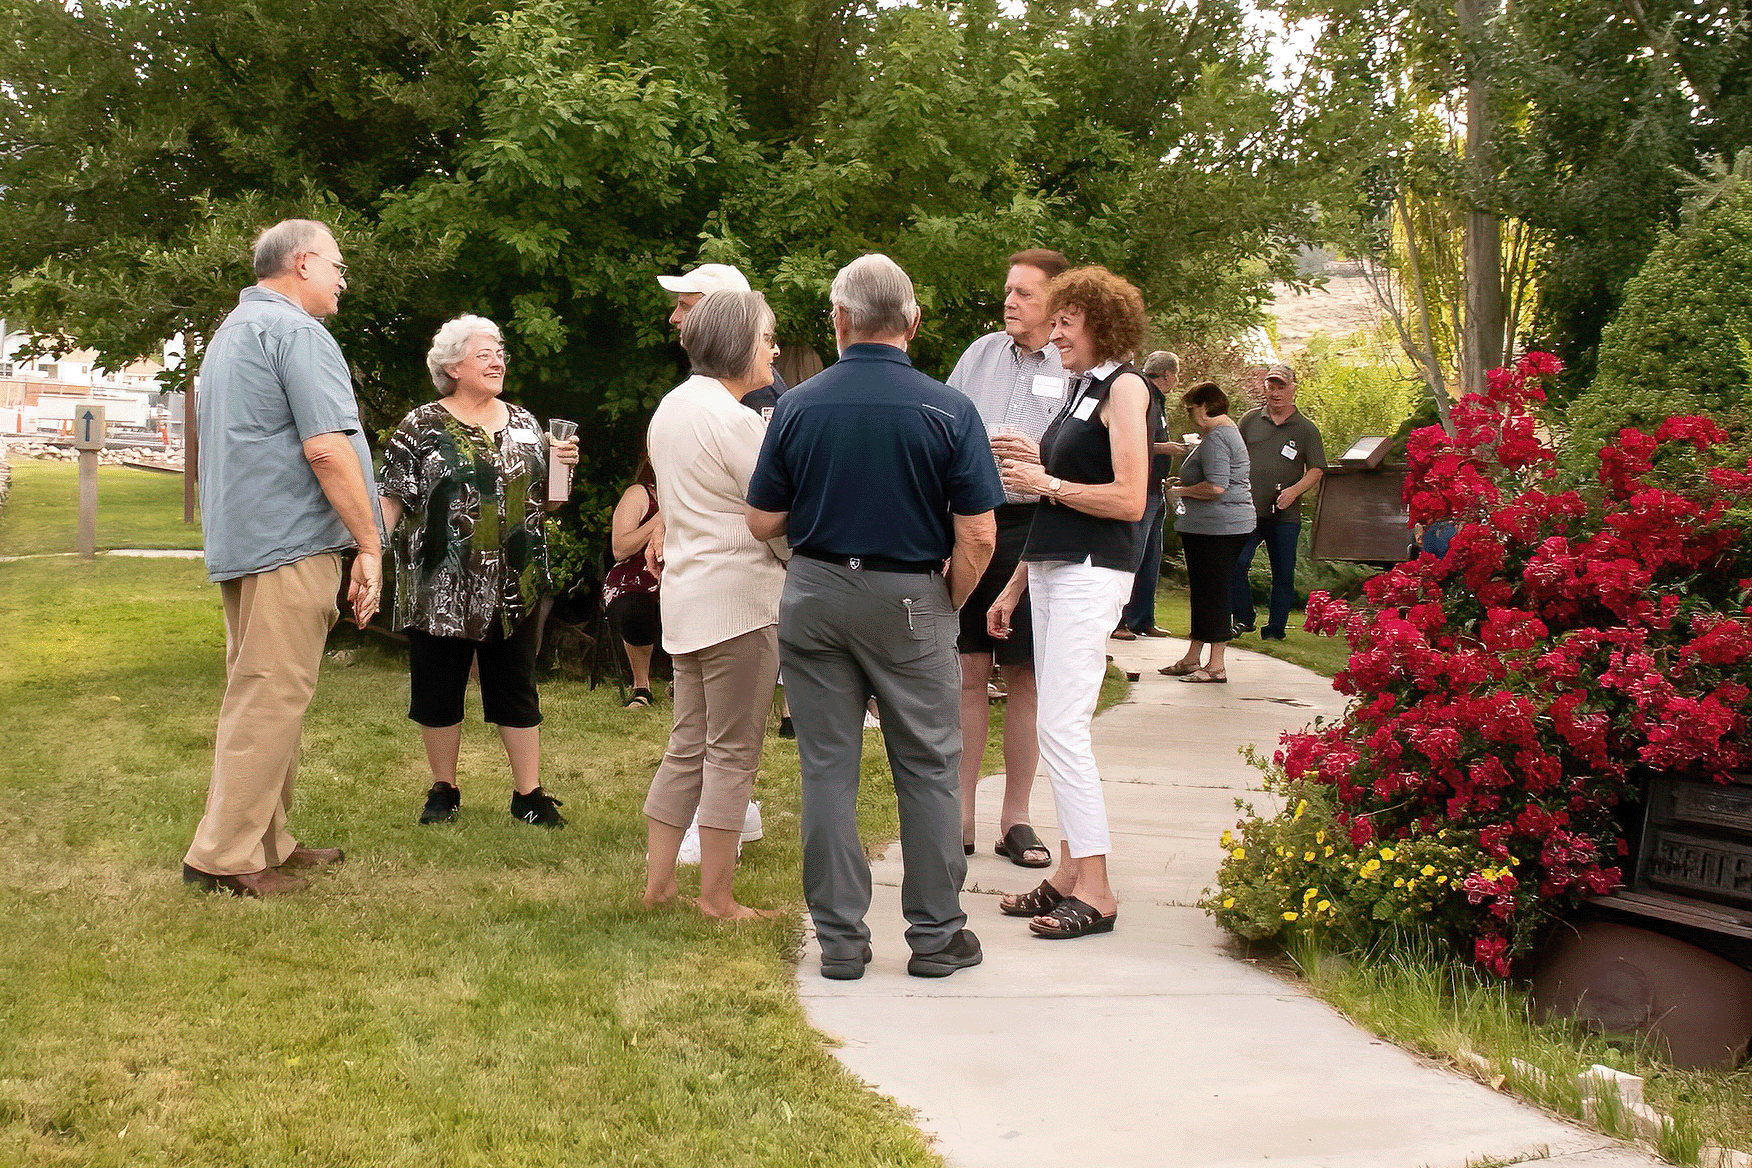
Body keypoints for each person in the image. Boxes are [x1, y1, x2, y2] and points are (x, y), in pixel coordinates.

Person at [747, 254, 1002, 980]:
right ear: (914, 323)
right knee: (927, 766)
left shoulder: (796, 404)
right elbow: (979, 531)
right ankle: (935, 934)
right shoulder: (947, 409)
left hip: (818, 592)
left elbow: (763, 518)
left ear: (839, 319)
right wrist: (949, 598)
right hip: (912, 595)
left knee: (828, 768)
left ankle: (840, 940)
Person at [181, 218, 382, 898]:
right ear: (302, 264)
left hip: (253, 543)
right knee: (269, 698)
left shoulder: (237, 330)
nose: (342, 279)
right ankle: (225, 858)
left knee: (271, 694)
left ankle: (269, 838)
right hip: (289, 544)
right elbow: (326, 448)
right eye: (337, 265)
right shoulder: (296, 332)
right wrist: (370, 545)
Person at [987, 265, 1154, 940]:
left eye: (1065, 322)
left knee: (1061, 726)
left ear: (1101, 325)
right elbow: (1061, 485)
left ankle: (1099, 888)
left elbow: (1129, 499)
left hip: (1092, 571)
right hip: (1054, 568)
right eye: (1051, 320)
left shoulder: (1128, 388)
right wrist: (1013, 583)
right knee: (1059, 728)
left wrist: (1044, 479)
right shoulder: (1083, 391)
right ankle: (1067, 873)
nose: (1053, 333)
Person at [378, 315, 579, 828]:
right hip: (438, 584)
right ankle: (443, 789)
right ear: (451, 365)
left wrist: (563, 469)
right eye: (484, 352)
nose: (497, 360)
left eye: (500, 352)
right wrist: (368, 556)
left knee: (516, 684)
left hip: (515, 581)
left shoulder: (526, 423)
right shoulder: (420, 427)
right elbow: (390, 501)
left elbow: (550, 504)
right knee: (438, 688)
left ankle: (528, 795)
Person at [641, 290, 789, 921]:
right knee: (731, 751)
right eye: (767, 339)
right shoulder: (733, 420)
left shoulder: (672, 408)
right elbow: (773, 514)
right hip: (740, 602)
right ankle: (718, 898)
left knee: (686, 743)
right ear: (739, 345)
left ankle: (658, 885)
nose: (773, 350)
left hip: (687, 597)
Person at [945, 248, 1070, 871]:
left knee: (1024, 675)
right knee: (968, 670)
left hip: (1035, 525)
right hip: (975, 522)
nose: (1010, 302)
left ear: (1056, 304)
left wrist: (1040, 457)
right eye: (1008, 291)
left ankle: (1015, 816)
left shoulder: (1074, 365)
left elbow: (1088, 458)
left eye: (1024, 293)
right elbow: (940, 422)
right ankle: (960, 812)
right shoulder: (981, 354)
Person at [1160, 381, 1254, 683]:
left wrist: (1180, 491)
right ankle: (1192, 657)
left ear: (1204, 406)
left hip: (1219, 528)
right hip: (1213, 527)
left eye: (1191, 409)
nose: (1190, 416)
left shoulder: (1217, 437)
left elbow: (1216, 486)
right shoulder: (1224, 434)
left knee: (1213, 593)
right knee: (1204, 591)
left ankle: (1216, 665)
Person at [1231, 362, 1325, 639]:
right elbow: (1233, 455)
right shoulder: (1250, 420)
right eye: (1271, 385)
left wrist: (1294, 491)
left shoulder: (1305, 429)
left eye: (1282, 386)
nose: (1276, 392)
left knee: (1283, 573)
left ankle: (1275, 629)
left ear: (1293, 389)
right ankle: (1244, 617)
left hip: (1284, 513)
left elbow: (1317, 469)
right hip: (1248, 509)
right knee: (1236, 563)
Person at [658, 262, 789, 413]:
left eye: (685, 306)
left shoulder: (756, 386)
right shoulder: (718, 375)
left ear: (720, 316)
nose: (674, 318)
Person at [1114, 349, 1181, 639]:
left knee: (1150, 556)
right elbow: (1130, 439)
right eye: (1176, 374)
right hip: (1140, 487)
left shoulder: (1159, 401)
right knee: (1132, 553)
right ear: (1168, 375)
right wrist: (1166, 448)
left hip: (1157, 486)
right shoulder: (1143, 396)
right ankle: (1118, 621)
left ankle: (1142, 618)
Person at [604, 452, 662, 708]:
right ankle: (641, 686)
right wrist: (661, 518)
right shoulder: (640, 494)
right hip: (635, 577)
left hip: (683, 573)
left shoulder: (695, 494)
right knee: (635, 608)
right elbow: (620, 548)